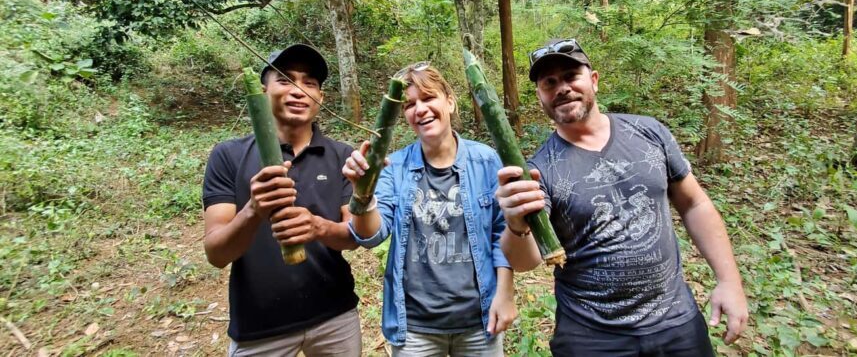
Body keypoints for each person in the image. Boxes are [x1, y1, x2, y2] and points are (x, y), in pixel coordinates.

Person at [495, 39, 749, 356]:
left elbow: (694, 204)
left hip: (676, 321)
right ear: (540, 96)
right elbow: (526, 261)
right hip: (591, 335)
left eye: (571, 76)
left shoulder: (649, 133)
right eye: (550, 82)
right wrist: (516, 224)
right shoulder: (538, 171)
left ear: (594, 80)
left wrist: (729, 281)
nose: (562, 88)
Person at [343, 62, 516, 356]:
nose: (420, 109)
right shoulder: (394, 166)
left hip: (479, 320)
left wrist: (505, 293)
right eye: (410, 104)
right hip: (415, 327)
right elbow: (372, 235)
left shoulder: (486, 160)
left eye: (428, 98)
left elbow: (503, 230)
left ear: (450, 101)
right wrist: (363, 194)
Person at [201, 44, 362, 357]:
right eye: (285, 80)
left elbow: (354, 237)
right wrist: (253, 210)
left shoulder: (342, 155)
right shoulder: (229, 156)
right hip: (259, 325)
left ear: (320, 97)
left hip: (335, 316)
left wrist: (318, 227)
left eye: (309, 83)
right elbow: (216, 254)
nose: (298, 90)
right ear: (263, 92)